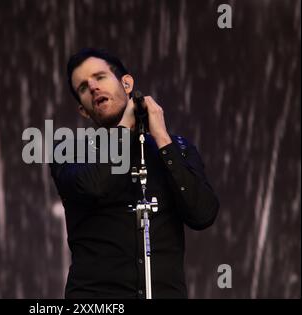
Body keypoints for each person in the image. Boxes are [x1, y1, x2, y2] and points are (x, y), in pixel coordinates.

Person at [50, 48, 219, 299]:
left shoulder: (177, 148)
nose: (93, 87)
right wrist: (125, 128)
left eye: (100, 77)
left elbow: (202, 213)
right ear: (83, 110)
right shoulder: (70, 149)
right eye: (83, 87)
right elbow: (93, 186)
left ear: (126, 83)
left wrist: (162, 138)